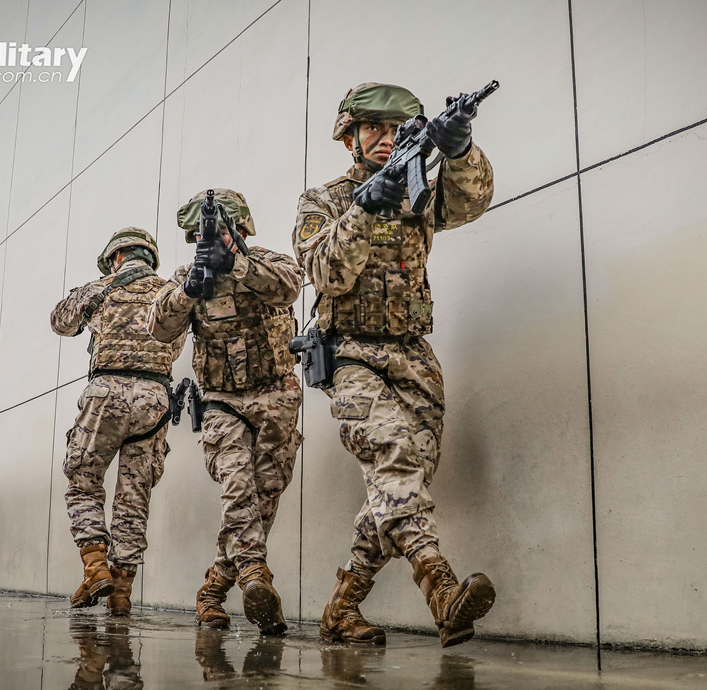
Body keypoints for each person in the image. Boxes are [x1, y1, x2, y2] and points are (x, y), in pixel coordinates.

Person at [292, 83, 496, 647]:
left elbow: (472, 202)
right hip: (351, 354)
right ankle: (441, 589)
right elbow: (327, 273)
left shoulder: (417, 188)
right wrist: (365, 207)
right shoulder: (324, 202)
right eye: (373, 129)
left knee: (399, 484)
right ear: (351, 138)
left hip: (413, 357)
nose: (385, 139)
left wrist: (459, 150)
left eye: (394, 129)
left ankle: (342, 606)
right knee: (394, 456)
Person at [148, 189, 304, 635]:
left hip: (275, 396)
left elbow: (290, 287)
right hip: (221, 401)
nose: (207, 237)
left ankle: (214, 590)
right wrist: (187, 289)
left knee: (264, 496)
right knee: (237, 485)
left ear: (240, 230)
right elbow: (158, 328)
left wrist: (235, 264)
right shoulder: (188, 276)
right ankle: (256, 576)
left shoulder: (268, 262)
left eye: (214, 230)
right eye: (199, 232)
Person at [51, 227, 185, 616]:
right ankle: (121, 592)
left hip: (105, 394)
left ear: (115, 258)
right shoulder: (171, 291)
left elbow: (60, 322)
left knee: (84, 482)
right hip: (154, 400)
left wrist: (90, 295)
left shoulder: (99, 288)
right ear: (150, 257)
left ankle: (95, 568)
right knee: (133, 498)